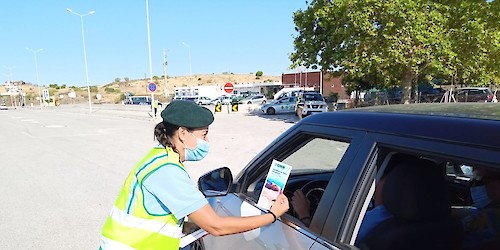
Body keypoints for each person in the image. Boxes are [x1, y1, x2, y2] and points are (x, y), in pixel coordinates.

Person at [100, 100, 289, 250]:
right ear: (183, 133)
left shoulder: (159, 157)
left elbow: (154, 213)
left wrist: (187, 226)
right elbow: (216, 226)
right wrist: (272, 216)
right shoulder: (167, 171)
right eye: (204, 134)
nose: (206, 141)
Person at [459, 167, 500, 249]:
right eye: (471, 182)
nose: (474, 187)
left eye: (479, 182)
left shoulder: (491, 217)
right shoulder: (490, 209)